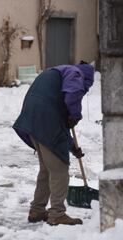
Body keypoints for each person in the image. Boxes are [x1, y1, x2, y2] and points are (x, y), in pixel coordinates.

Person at [13, 61, 94, 225]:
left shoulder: (56, 72)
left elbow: (56, 116)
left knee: (47, 169)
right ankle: (57, 214)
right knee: (59, 169)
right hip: (45, 120)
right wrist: (75, 115)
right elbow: (73, 94)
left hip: (32, 119)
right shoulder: (76, 73)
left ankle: (37, 210)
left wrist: (72, 146)